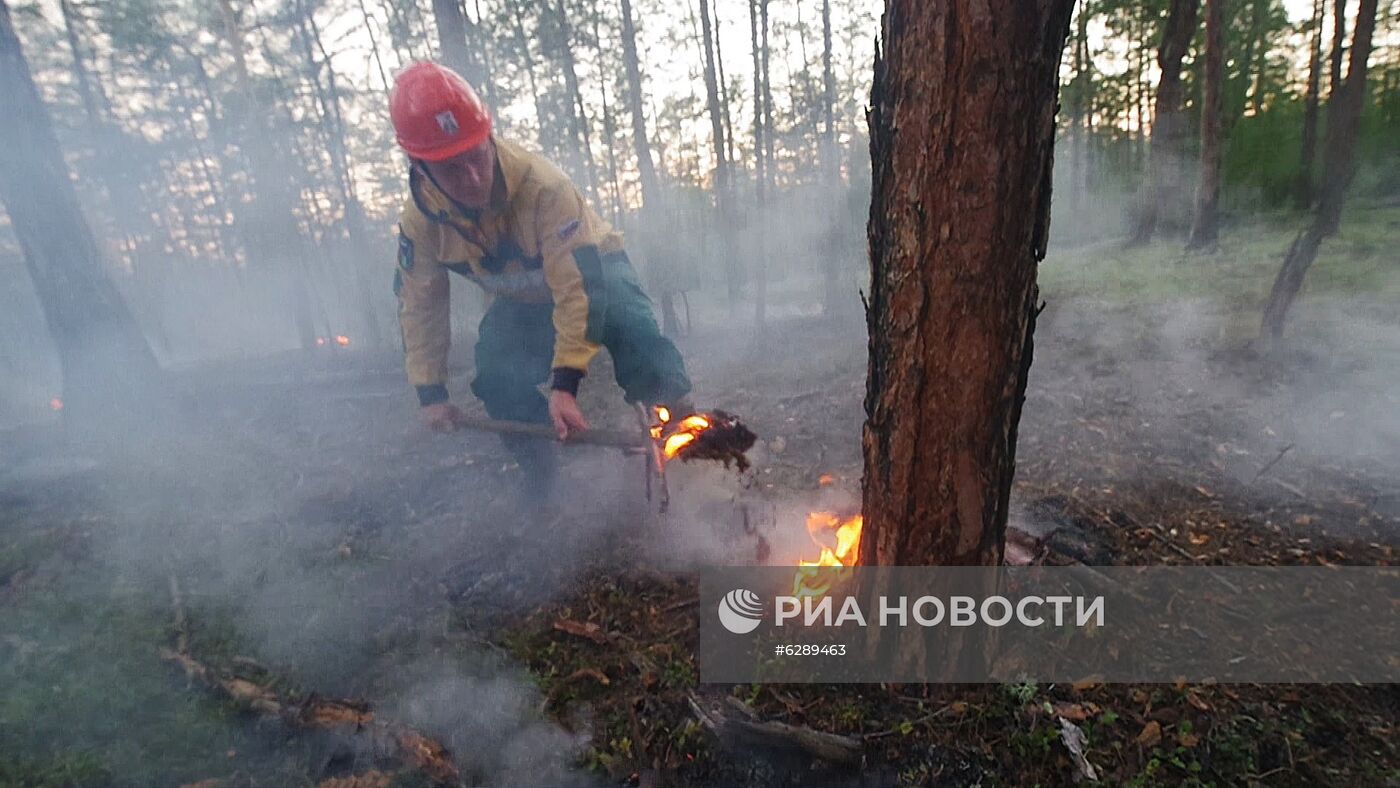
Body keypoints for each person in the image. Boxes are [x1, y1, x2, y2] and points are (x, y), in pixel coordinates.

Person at [389, 61, 692, 490]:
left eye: (477, 156)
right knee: (495, 375)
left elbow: (578, 289)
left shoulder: (544, 188)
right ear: (420, 167)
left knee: (634, 332)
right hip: (524, 300)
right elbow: (419, 306)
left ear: (489, 138)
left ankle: (685, 438)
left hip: (594, 269)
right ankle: (543, 477)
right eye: (452, 168)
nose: (473, 177)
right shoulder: (420, 225)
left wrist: (565, 383)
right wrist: (430, 391)